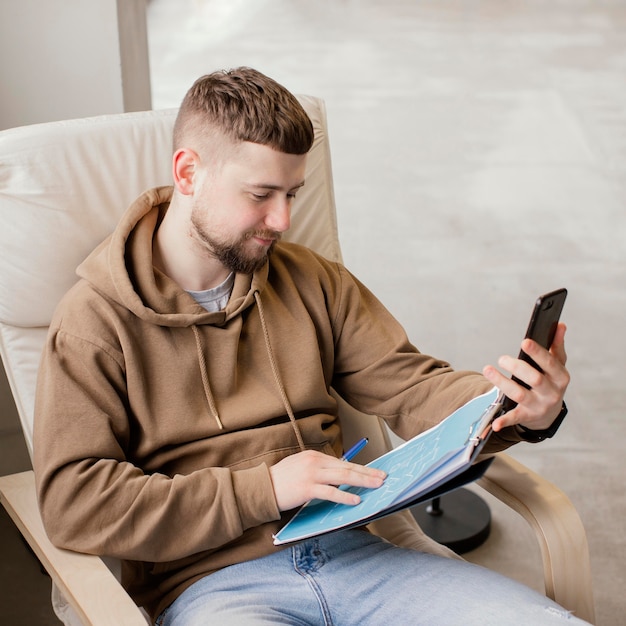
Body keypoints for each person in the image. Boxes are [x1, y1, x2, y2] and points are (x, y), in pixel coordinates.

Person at [33, 67, 581, 626]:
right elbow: (76, 502)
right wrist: (264, 489)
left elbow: (413, 385)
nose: (283, 220)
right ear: (189, 172)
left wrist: (514, 407)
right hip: (214, 589)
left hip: (361, 560)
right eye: (261, 195)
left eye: (292, 194)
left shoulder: (312, 280)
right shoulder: (92, 322)